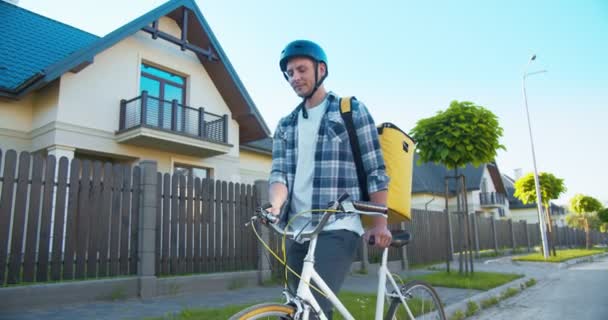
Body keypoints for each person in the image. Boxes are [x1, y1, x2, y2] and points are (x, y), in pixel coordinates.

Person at [267, 39, 392, 319]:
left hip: (338, 222)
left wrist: (379, 223)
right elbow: (279, 175)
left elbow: (375, 169)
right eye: (290, 73)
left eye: (301, 70)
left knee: (311, 311)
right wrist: (275, 207)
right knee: (293, 312)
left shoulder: (349, 110)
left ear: (320, 69)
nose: (295, 78)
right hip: (297, 228)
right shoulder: (285, 125)